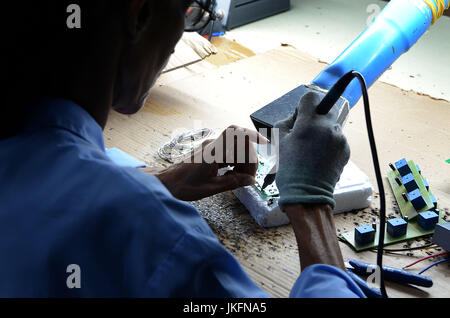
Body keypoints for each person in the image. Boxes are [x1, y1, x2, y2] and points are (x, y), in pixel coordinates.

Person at [0, 0, 365, 297]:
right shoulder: (164, 237)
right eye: (184, 11)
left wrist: (165, 180)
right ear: (140, 13)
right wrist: (310, 200)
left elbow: (57, 191)